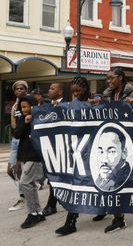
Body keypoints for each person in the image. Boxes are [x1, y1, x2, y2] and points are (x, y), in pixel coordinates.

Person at [98, 67, 133, 233]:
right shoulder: (108, 94)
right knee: (114, 180)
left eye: (112, 78)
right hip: (113, 143)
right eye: (107, 78)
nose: (109, 81)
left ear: (121, 78)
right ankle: (118, 219)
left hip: (129, 142)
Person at [55, 76, 91, 236]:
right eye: (73, 91)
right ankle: (71, 221)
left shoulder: (95, 101)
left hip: (93, 151)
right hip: (77, 153)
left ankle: (117, 217)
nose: (75, 94)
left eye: (78, 90)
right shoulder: (70, 105)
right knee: (76, 186)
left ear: (86, 88)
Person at [13, 95, 46, 229]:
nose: (24, 109)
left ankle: (32, 213)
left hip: (34, 155)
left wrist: (33, 121)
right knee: (30, 184)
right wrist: (25, 122)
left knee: (25, 182)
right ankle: (38, 212)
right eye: (22, 107)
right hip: (25, 155)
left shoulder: (39, 118)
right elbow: (17, 134)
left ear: (33, 106)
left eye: (26, 106)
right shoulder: (22, 118)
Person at [42, 83, 65, 217]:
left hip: (63, 146)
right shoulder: (46, 106)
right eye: (49, 88)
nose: (49, 91)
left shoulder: (67, 106)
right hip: (50, 146)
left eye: (52, 89)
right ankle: (52, 204)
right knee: (52, 177)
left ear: (60, 92)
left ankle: (53, 204)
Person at [8, 80, 28, 212]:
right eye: (17, 88)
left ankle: (23, 198)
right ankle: (27, 189)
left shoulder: (27, 103)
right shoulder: (15, 105)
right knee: (10, 171)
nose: (19, 90)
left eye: (21, 88)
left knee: (21, 170)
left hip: (25, 140)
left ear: (26, 90)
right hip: (15, 139)